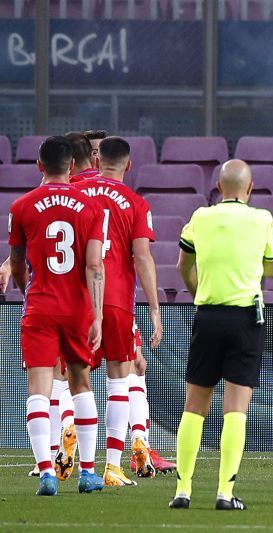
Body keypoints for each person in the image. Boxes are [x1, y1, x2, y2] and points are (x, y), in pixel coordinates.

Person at [170, 159, 273, 510]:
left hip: (208, 316)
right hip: (246, 319)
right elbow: (272, 270)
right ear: (250, 189)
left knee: (194, 406)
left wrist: (199, 290)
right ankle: (224, 493)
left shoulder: (201, 217)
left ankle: (182, 490)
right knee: (236, 408)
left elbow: (182, 267)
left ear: (218, 186)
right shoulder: (262, 219)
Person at [9, 136, 106, 495]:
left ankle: (47, 472)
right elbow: (95, 264)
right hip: (77, 307)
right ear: (71, 167)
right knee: (81, 384)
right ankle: (88, 473)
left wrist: (26, 292)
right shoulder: (91, 207)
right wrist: (96, 315)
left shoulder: (21, 206)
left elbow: (18, 264)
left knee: (38, 389)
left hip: (41, 305)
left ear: (39, 166)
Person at [74, 136, 163, 485]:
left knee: (73, 381)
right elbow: (142, 258)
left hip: (77, 298)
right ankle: (112, 466)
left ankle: (77, 459)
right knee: (119, 381)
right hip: (115, 300)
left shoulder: (76, 190)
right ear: (128, 165)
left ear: (97, 162)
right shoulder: (136, 204)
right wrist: (155, 310)